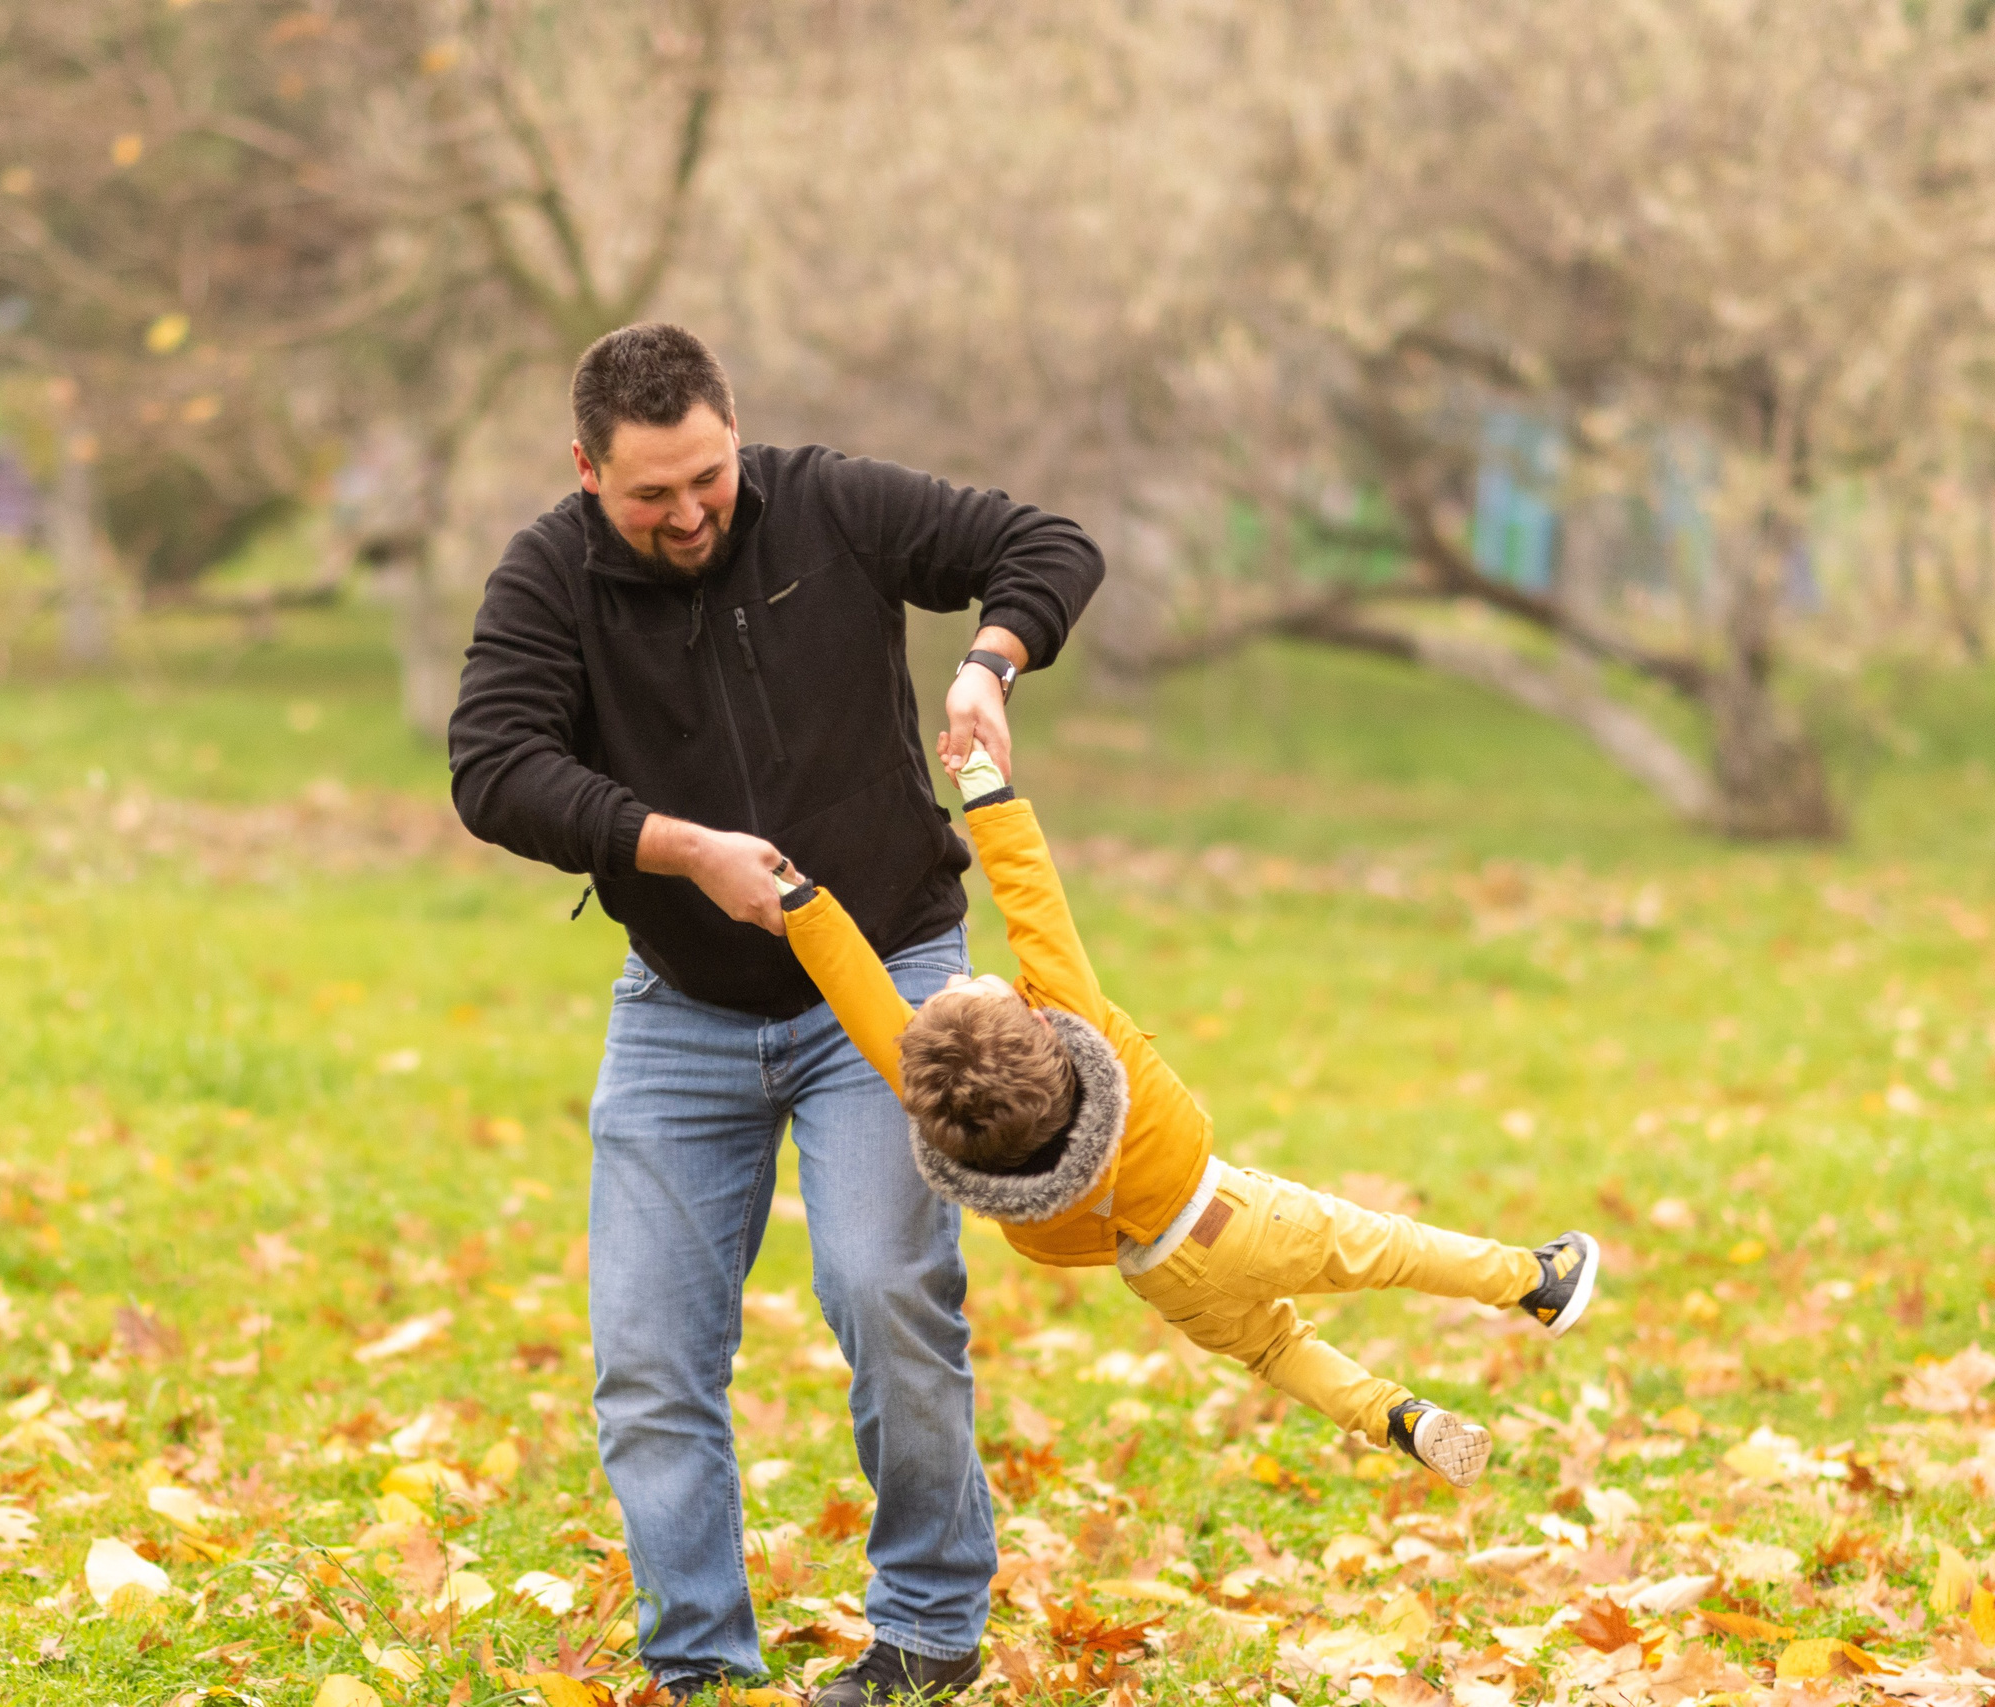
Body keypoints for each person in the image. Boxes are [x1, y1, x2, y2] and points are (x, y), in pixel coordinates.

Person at [449, 323, 1102, 1704]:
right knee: (647, 1354)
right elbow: (493, 766)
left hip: (889, 984)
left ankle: (927, 1632)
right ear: (585, 471)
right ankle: (701, 1663)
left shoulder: (830, 503)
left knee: (885, 1287)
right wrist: (678, 848)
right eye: (650, 494)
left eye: (708, 477)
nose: (689, 513)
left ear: (735, 435)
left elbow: (1046, 544)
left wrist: (988, 661)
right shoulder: (547, 578)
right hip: (683, 1002)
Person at [773, 744, 1602, 1486]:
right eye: (968, 989)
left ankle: (1400, 1418)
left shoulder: (961, 1132)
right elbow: (1035, 905)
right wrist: (986, 787)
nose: (953, 983)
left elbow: (867, 1008)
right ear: (1035, 1025)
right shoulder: (1079, 1022)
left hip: (1161, 1278)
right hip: (1231, 1218)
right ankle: (1535, 1280)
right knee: (1389, 1248)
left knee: (1279, 1349)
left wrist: (801, 906)